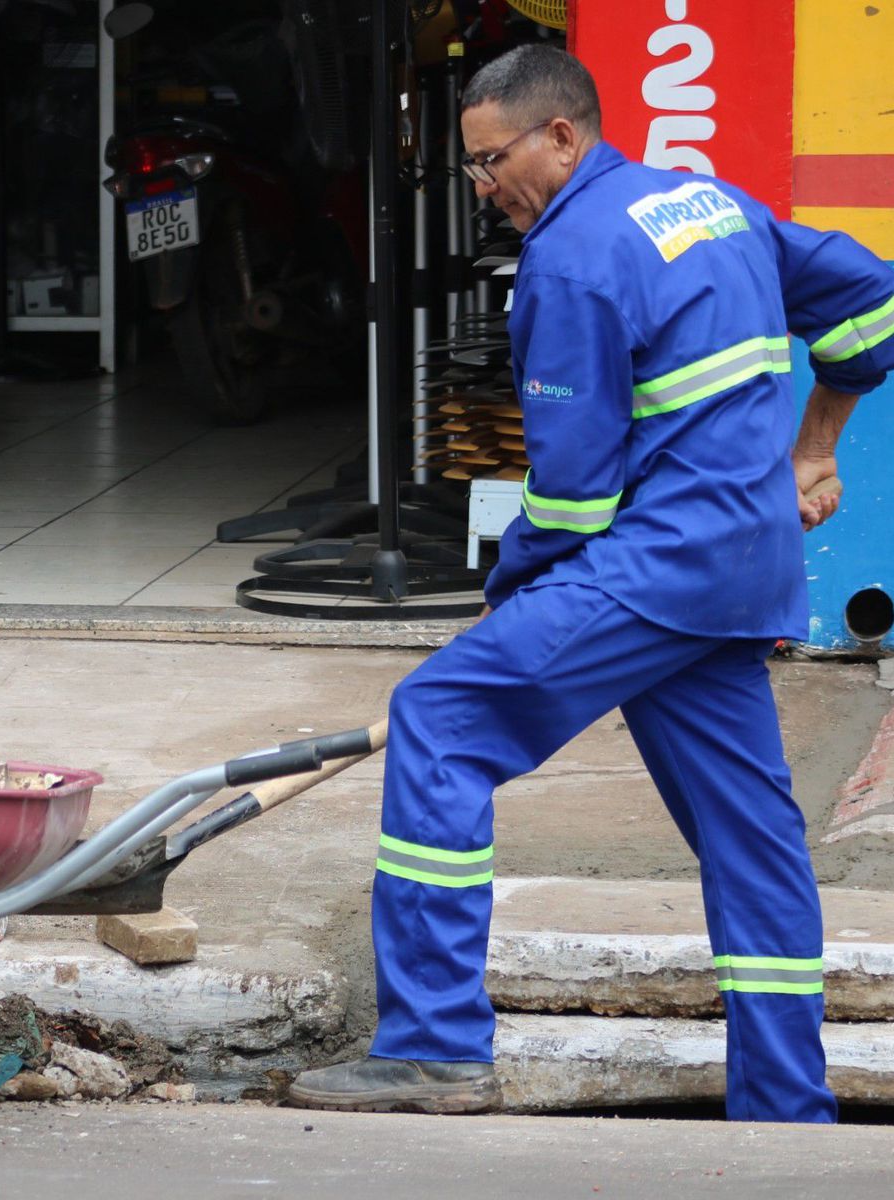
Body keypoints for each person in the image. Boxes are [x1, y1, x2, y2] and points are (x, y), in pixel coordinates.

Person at [283, 44, 894, 1123]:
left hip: (652, 570)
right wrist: (816, 445)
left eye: (491, 162)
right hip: (738, 572)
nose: (482, 190)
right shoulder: (709, 208)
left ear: (562, 134)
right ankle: (786, 1104)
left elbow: (569, 498)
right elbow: (870, 310)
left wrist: (510, 586)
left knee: (440, 716)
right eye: (470, 170)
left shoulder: (568, 261)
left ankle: (430, 1045)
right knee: (750, 836)